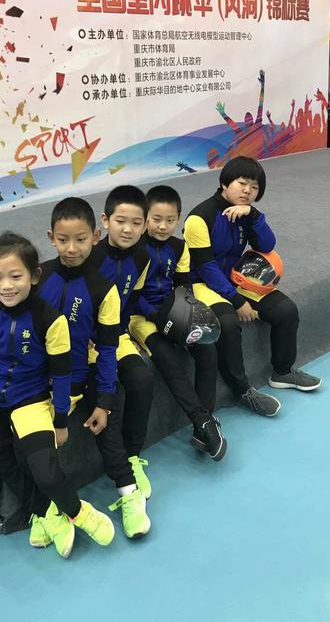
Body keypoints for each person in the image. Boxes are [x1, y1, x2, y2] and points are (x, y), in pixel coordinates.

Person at [0, 231, 115, 558]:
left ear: (34, 276)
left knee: (47, 473)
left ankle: (77, 512)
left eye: (16, 276)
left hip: (30, 400)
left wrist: (60, 420)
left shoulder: (51, 320)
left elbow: (61, 376)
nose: (6, 286)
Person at [183, 156, 321, 416]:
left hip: (234, 278)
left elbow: (267, 245)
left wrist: (254, 215)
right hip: (201, 283)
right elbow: (206, 267)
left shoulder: (245, 213)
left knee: (286, 310)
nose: (248, 191)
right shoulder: (199, 218)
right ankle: (242, 390)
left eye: (255, 187)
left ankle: (282, 373)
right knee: (228, 324)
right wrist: (237, 300)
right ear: (225, 182)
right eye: (242, 183)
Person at [129, 185, 226, 460]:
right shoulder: (136, 250)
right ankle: (202, 420)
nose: (163, 226)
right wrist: (159, 318)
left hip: (173, 312)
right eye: (156, 219)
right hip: (142, 318)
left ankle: (203, 426)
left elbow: (184, 288)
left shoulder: (180, 247)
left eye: (170, 220)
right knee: (168, 359)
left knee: (206, 349)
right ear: (145, 218)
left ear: (178, 219)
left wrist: (187, 315)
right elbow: (132, 298)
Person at [88, 186, 155, 499]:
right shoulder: (91, 256)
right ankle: (116, 463)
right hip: (87, 342)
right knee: (107, 388)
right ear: (105, 221)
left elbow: (131, 300)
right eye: (120, 221)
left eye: (136, 223)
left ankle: (132, 455)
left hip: (115, 336)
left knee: (142, 378)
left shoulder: (142, 257)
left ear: (145, 225)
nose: (128, 229)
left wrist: (125, 331)